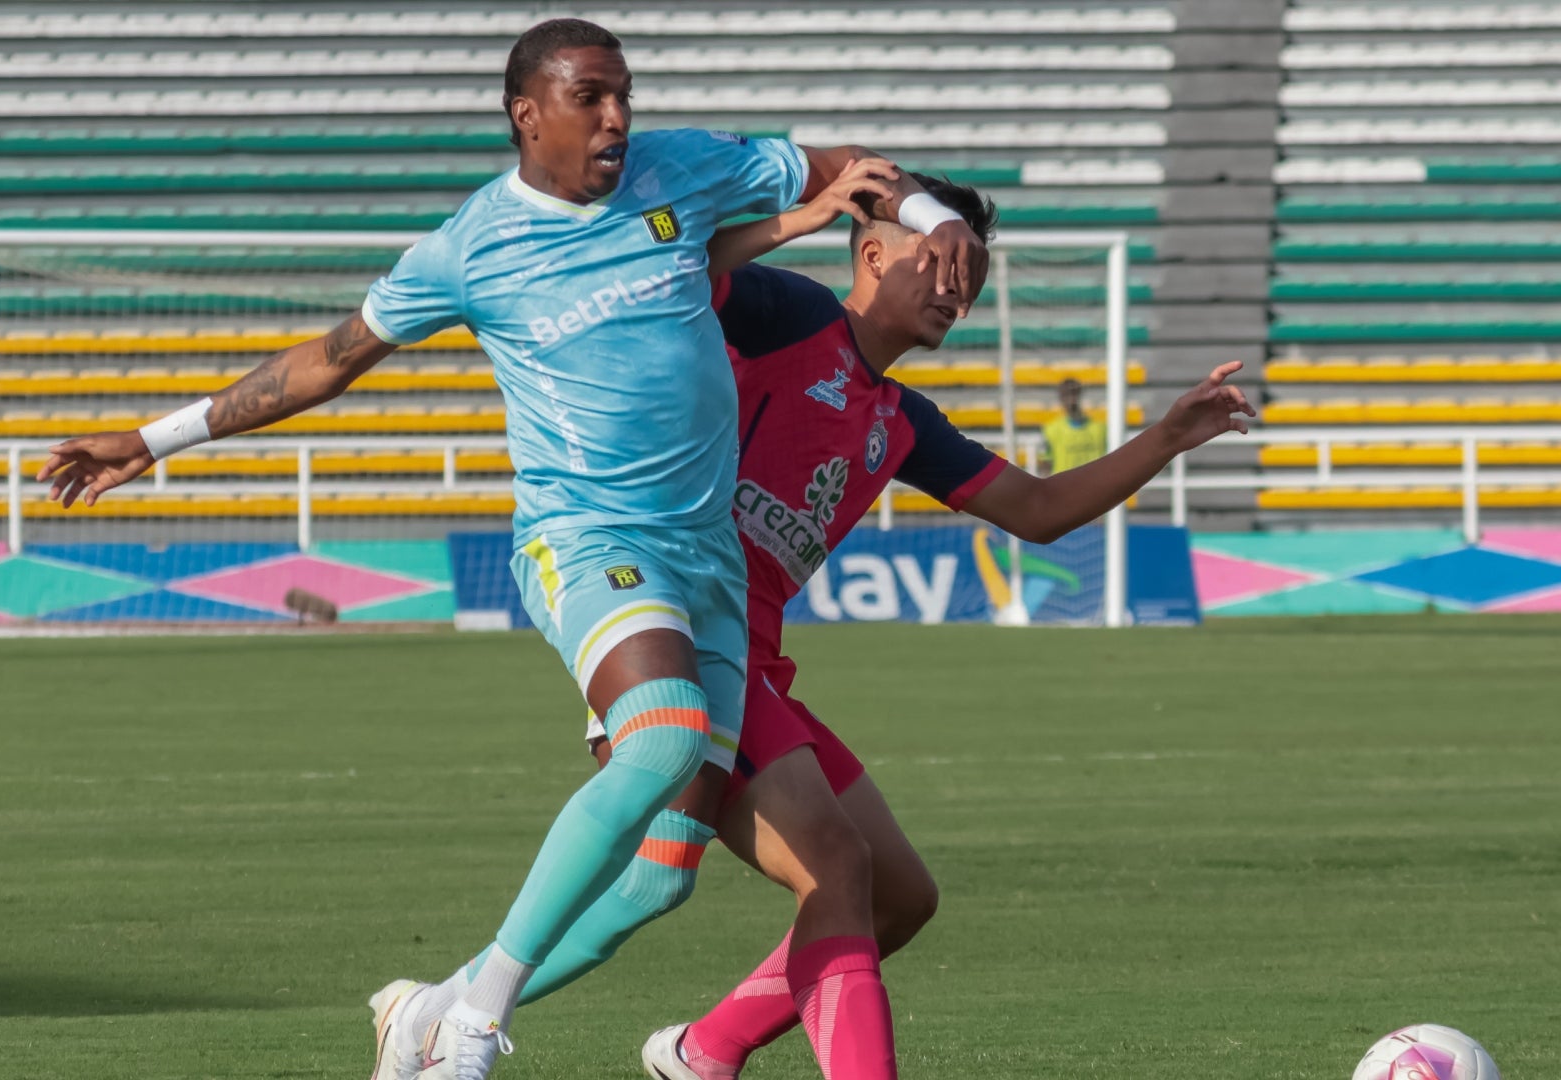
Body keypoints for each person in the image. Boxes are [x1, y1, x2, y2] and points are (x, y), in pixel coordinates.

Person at [34, 19, 987, 1080]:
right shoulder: (469, 248)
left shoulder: (680, 168)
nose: (618, 116)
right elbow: (327, 361)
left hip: (707, 557)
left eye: (624, 94)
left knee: (662, 879)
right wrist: (153, 440)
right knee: (664, 738)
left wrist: (931, 214)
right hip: (587, 541)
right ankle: (476, 1027)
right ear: (528, 115)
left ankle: (429, 1008)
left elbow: (845, 169)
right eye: (592, 98)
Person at [520, 171, 1250, 1080]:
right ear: (872, 254)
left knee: (897, 896)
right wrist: (796, 209)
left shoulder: (901, 420)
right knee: (826, 862)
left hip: (757, 667)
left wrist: (1165, 439)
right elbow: (669, 266)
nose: (958, 290)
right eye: (940, 261)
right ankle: (464, 1012)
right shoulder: (788, 315)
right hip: (689, 635)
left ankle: (695, 1049)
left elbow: (1041, 508)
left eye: (971, 277)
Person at [1040, 377, 1109, 473]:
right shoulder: (1051, 430)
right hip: (1064, 486)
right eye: (1066, 395)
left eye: (1074, 393)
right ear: (1060, 398)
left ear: (1081, 395)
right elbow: (1046, 463)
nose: (1071, 399)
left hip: (1094, 485)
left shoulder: (1101, 428)